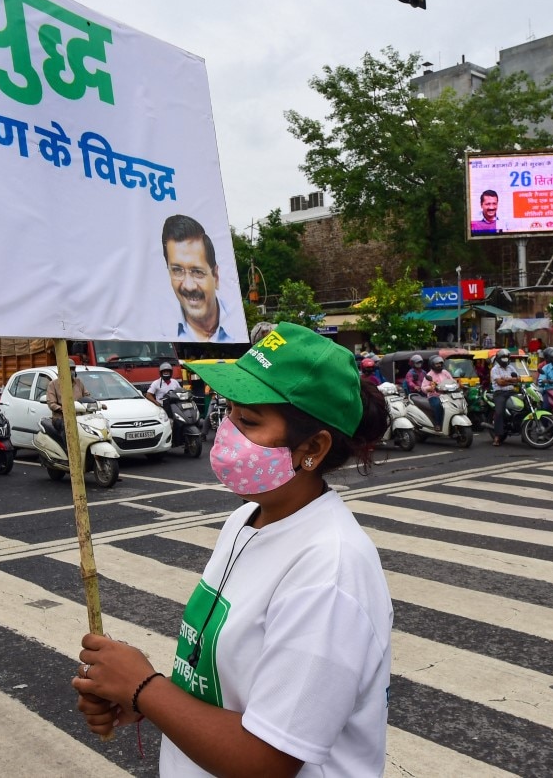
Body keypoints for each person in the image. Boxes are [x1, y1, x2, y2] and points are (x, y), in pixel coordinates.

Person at [72, 322, 392, 775]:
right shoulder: (246, 519)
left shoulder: (329, 568)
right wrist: (143, 700)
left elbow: (266, 761)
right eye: (229, 413)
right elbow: (229, 687)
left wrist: (144, 687)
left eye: (250, 422)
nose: (227, 433)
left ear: (313, 448)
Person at [163, 214, 239, 343]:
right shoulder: (161, 334)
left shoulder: (239, 328)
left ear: (215, 276)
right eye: (177, 270)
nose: (188, 286)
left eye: (197, 272)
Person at [46, 362, 89, 435]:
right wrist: (62, 408)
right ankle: (67, 446)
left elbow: (87, 396)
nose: (72, 371)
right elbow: (51, 403)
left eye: (73, 369)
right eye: (69, 369)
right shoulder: (53, 384)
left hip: (79, 416)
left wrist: (96, 404)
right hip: (61, 418)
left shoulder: (78, 382)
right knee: (67, 428)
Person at [489, 351, 519, 446]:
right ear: (498, 359)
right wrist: (511, 380)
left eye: (506, 357)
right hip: (500, 393)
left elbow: (518, 379)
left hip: (512, 392)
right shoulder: (495, 369)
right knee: (499, 412)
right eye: (503, 357)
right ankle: (497, 436)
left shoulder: (511, 367)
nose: (505, 359)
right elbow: (500, 383)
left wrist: (506, 379)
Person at [421, 355, 456, 426]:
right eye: (437, 364)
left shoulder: (445, 372)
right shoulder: (429, 375)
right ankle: (438, 424)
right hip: (434, 396)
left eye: (440, 363)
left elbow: (452, 381)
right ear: (432, 364)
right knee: (438, 405)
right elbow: (423, 387)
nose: (439, 365)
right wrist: (430, 388)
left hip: (447, 395)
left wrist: (455, 384)